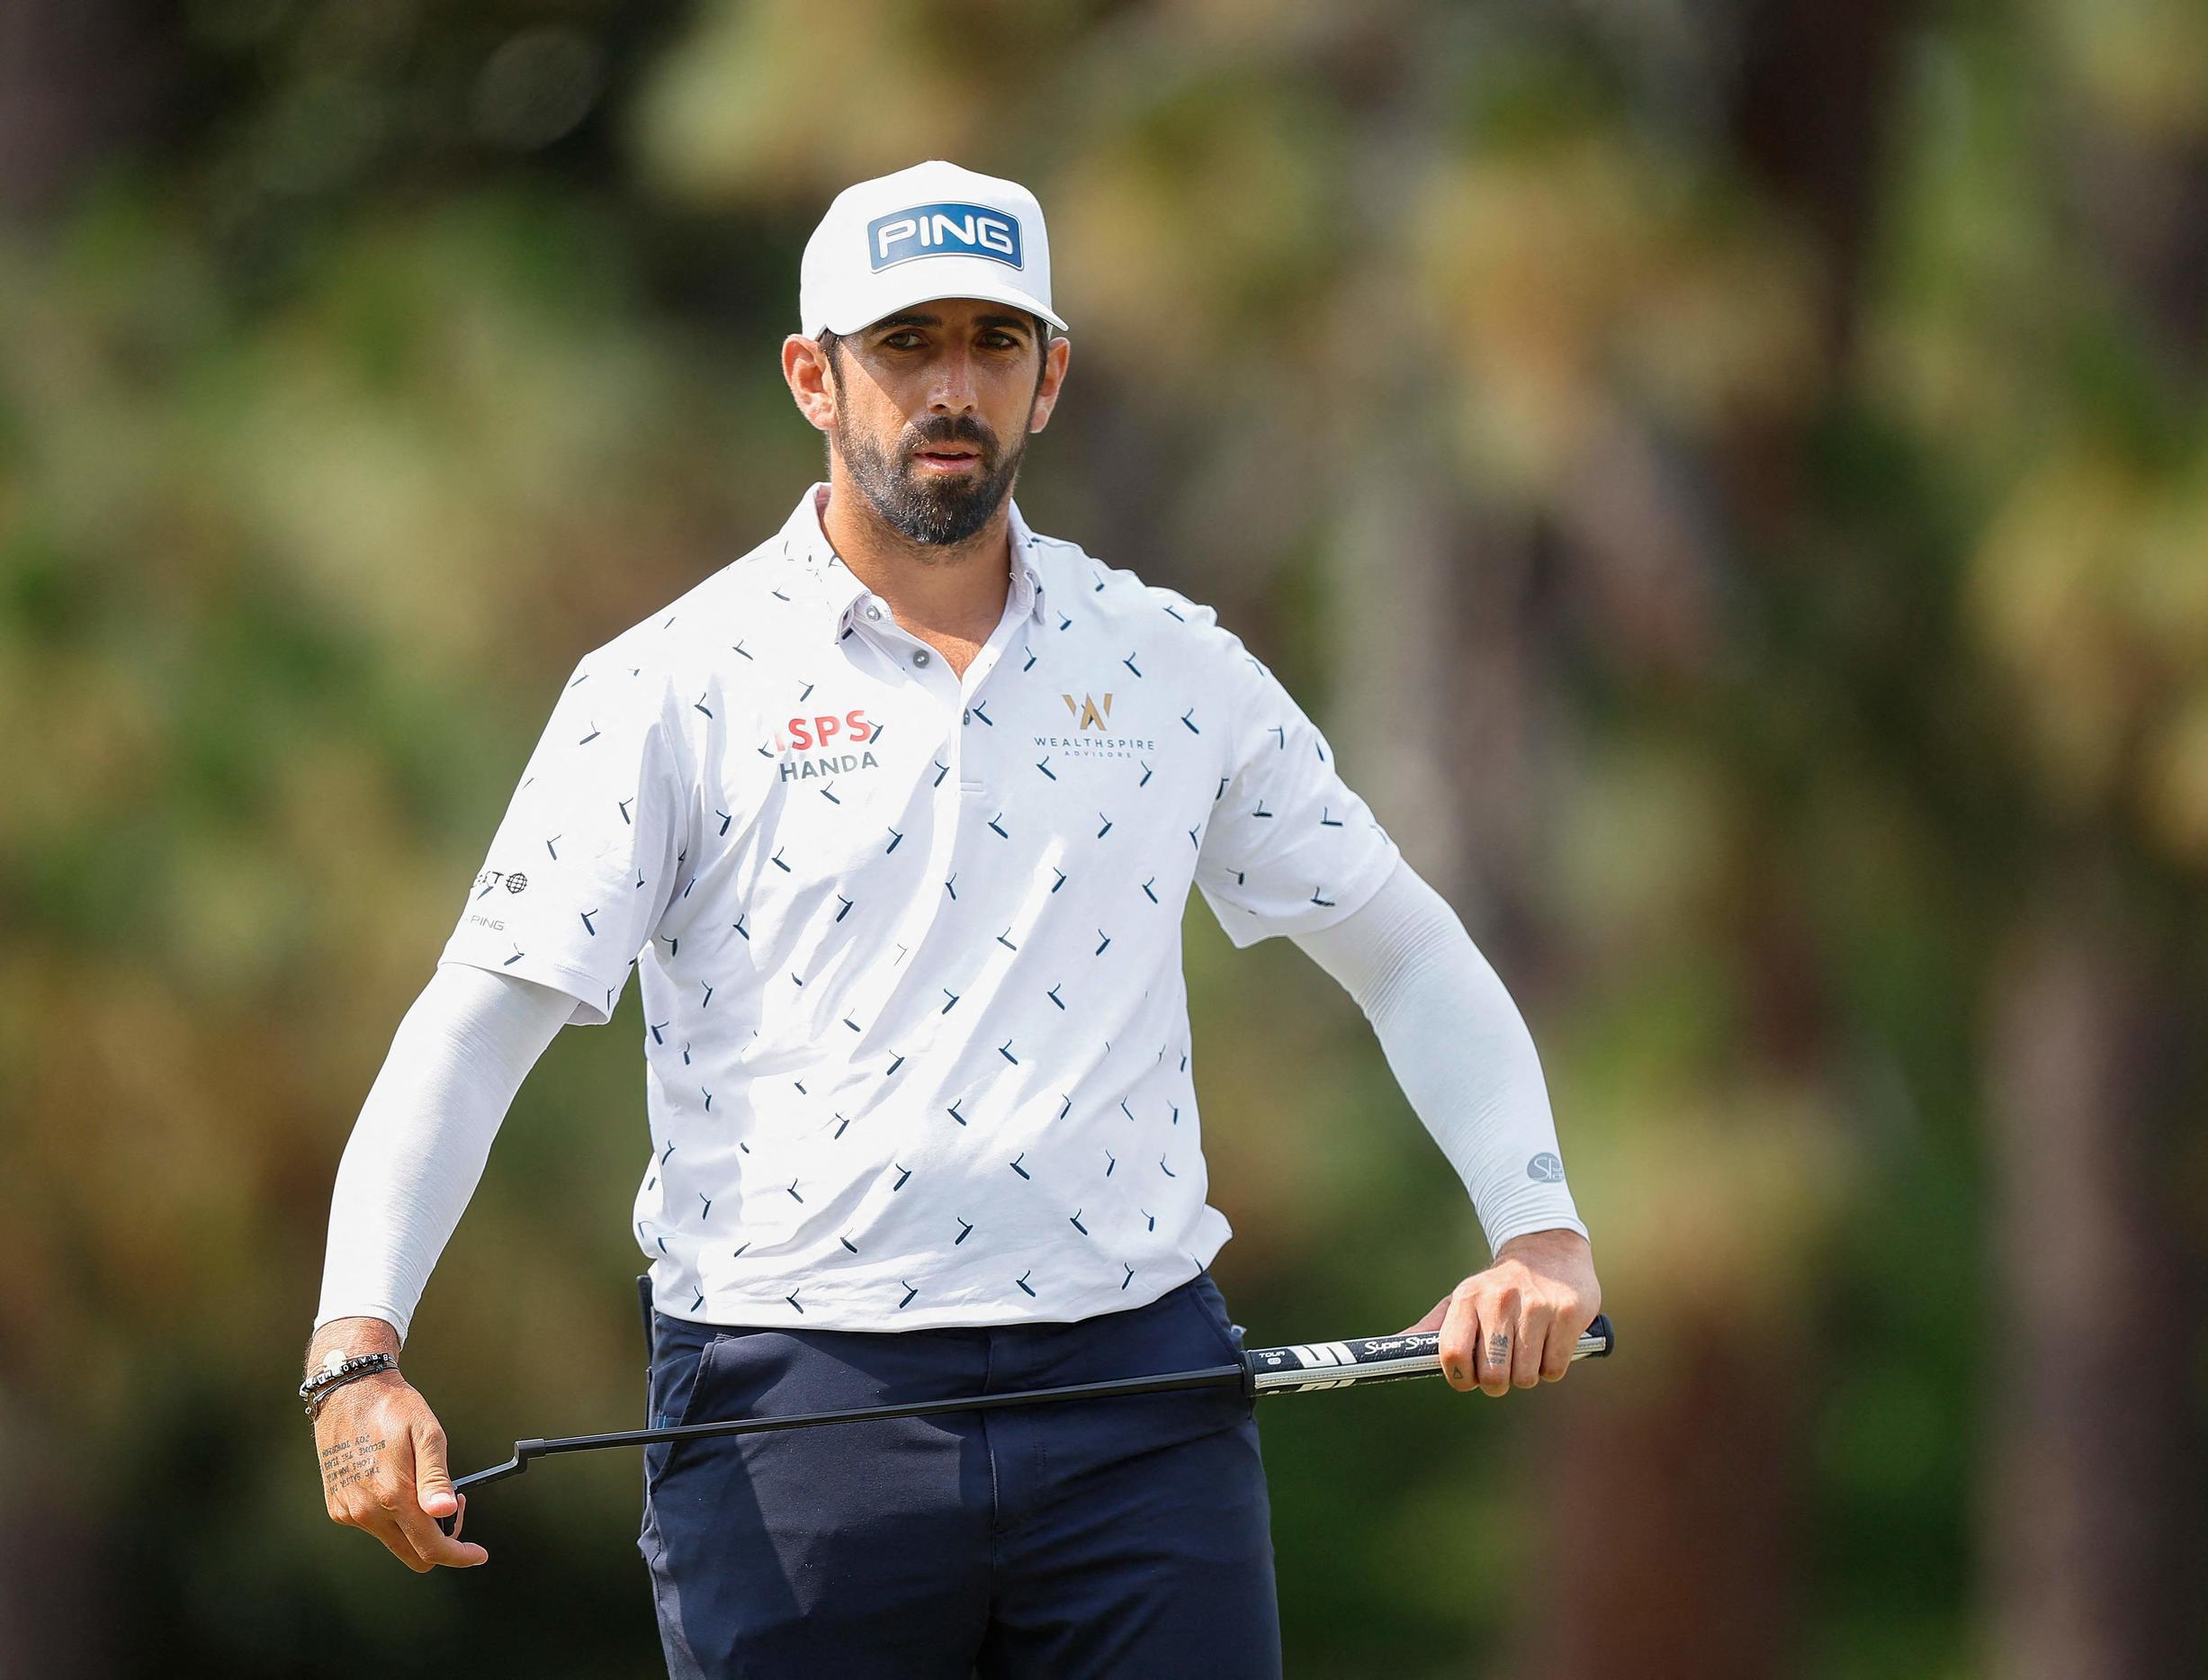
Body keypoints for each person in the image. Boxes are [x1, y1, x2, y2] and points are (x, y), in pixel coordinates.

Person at [303, 159, 1599, 1677]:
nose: (951, 386)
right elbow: (479, 1023)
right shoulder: (667, 686)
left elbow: (1405, 950)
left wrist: (1540, 1231)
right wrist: (355, 1354)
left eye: (994, 343)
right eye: (904, 345)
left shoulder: (1176, 664)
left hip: (1138, 1403)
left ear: (1051, 379)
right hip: (796, 1415)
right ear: (813, 376)